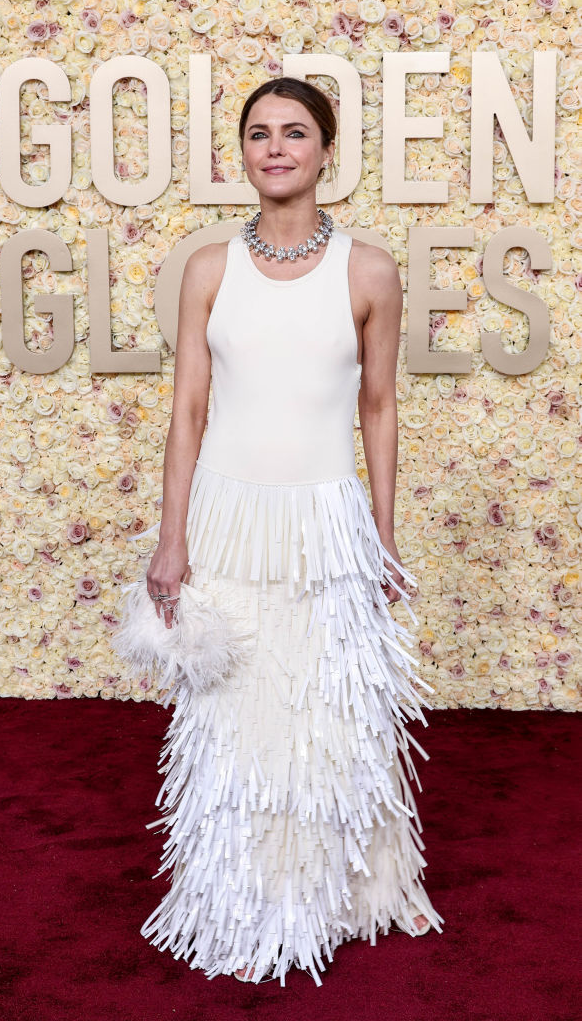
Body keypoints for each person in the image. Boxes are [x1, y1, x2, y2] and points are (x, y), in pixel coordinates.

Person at [137, 77, 444, 987]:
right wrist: (170, 536)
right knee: (234, 716)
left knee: (329, 711)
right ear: (243, 153)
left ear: (325, 151)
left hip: (324, 522)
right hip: (226, 518)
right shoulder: (206, 268)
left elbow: (379, 408)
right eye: (259, 134)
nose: (276, 148)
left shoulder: (369, 270)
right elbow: (187, 410)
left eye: (295, 133)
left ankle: (344, 892)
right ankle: (240, 894)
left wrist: (382, 536)